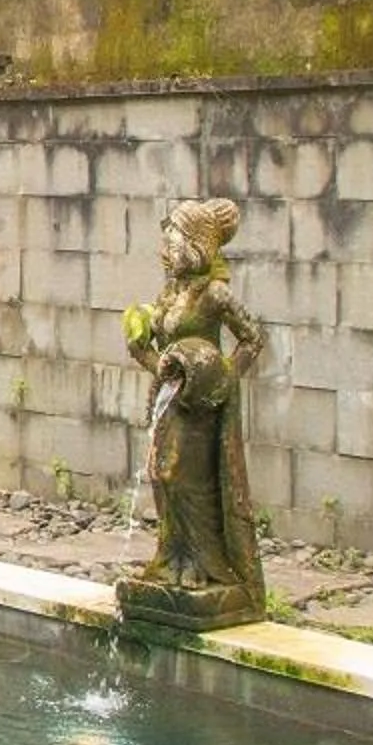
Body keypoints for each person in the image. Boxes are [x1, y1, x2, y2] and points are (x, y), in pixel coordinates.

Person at [123, 197, 266, 606]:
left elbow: (252, 339)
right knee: (160, 474)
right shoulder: (169, 294)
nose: (165, 253)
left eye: (173, 244)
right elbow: (158, 359)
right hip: (169, 400)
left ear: (196, 246)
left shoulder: (215, 295)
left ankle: (207, 564)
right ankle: (172, 558)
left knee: (185, 476)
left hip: (200, 406)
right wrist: (143, 349)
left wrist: (220, 378)